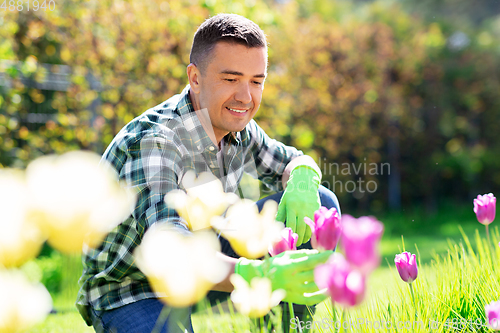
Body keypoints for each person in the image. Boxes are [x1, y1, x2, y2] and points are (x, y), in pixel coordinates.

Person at [76, 13, 341, 333]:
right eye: (231, 79)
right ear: (195, 78)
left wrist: (302, 179)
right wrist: (259, 274)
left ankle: (289, 330)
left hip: (205, 261)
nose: (246, 97)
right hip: (132, 287)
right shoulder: (156, 141)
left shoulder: (236, 124)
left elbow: (292, 161)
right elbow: (173, 252)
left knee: (320, 201)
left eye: (257, 81)